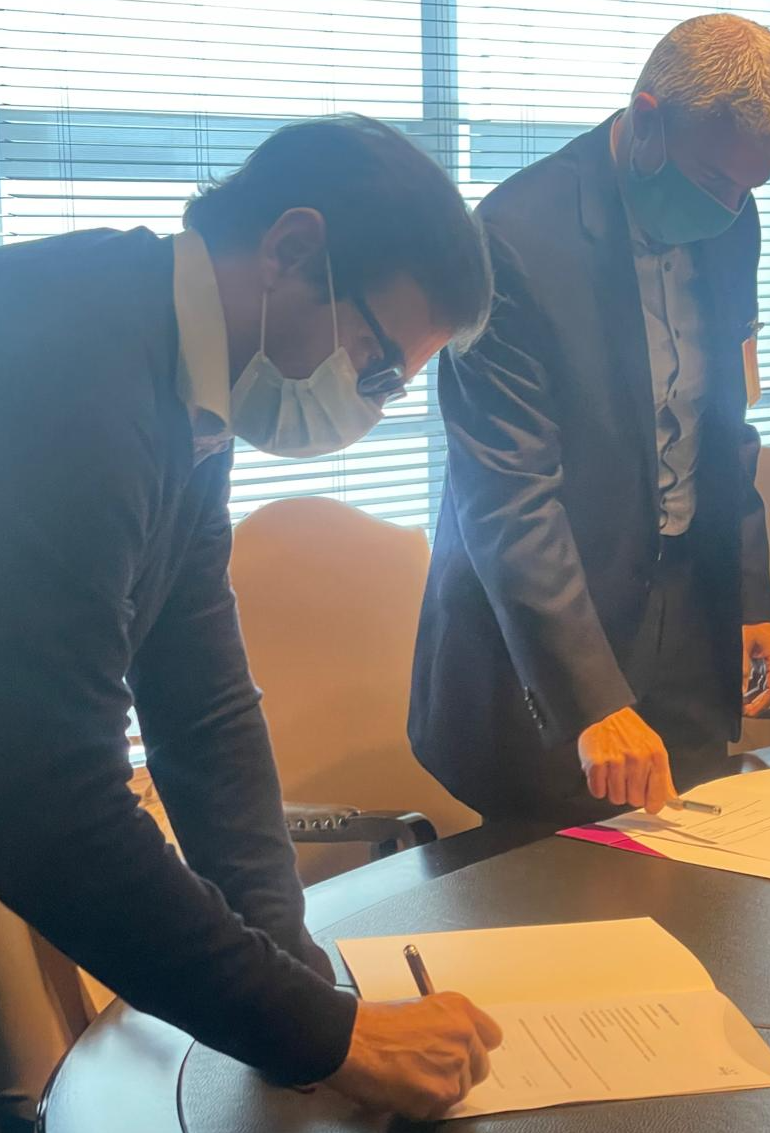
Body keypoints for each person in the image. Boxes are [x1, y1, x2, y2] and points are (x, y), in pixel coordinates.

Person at [0, 115, 500, 1122]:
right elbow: (48, 802)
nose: (371, 405)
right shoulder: (78, 371)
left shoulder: (187, 379)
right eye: (375, 365)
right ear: (293, 250)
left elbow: (204, 704)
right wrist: (323, 1031)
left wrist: (298, 980)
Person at [409, 15, 770, 825]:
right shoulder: (513, 239)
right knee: (556, 885)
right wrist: (592, 698)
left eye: (750, 189)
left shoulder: (732, 220)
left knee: (697, 864)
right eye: (714, 180)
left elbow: (724, 420)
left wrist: (748, 596)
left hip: (688, 616)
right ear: (647, 119)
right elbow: (508, 495)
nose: (731, 207)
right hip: (546, 640)